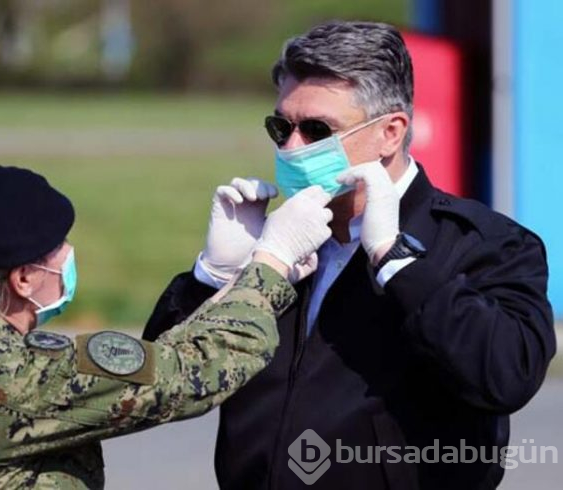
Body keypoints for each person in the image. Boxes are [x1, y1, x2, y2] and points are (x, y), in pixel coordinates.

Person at [143, 20, 557, 490]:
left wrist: (396, 261)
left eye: (317, 129)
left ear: (390, 133)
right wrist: (214, 277)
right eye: (281, 126)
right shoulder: (281, 240)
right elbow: (156, 388)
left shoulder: (484, 243)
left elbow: (507, 375)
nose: (292, 147)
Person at [0, 165, 334, 489]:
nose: (67, 253)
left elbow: (137, 372)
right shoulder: (14, 378)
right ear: (24, 278)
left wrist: (213, 275)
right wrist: (269, 263)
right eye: (57, 247)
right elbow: (193, 371)